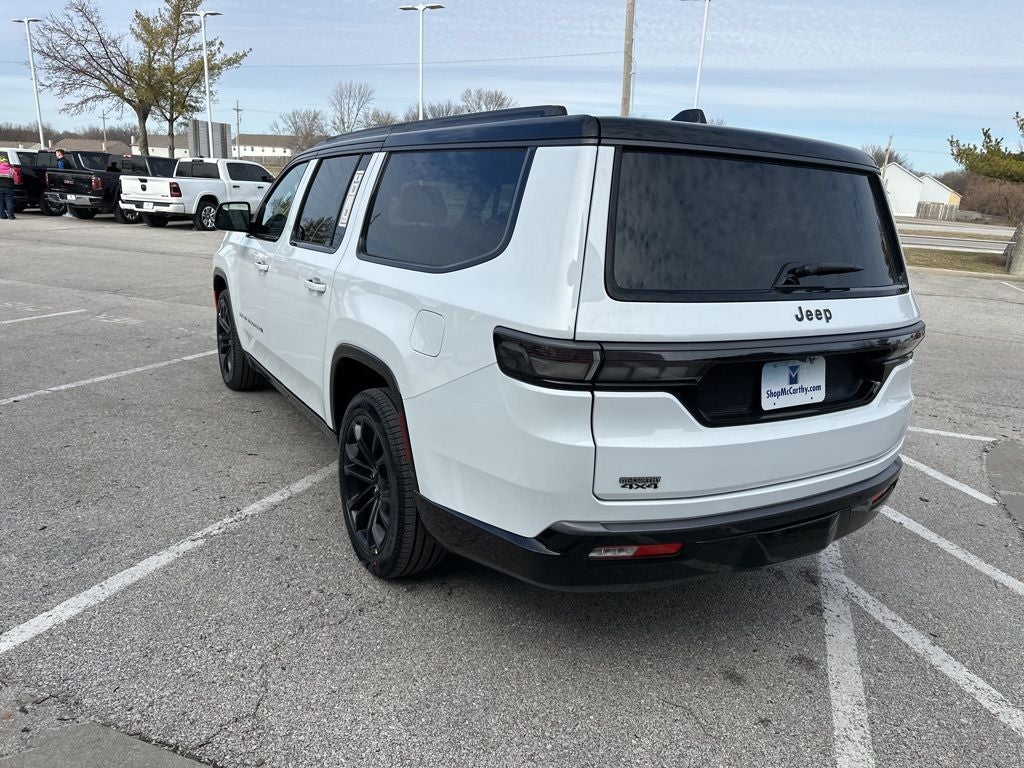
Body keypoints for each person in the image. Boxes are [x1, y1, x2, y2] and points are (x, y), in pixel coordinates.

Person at [0, 154, 15, 220]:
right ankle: (11, 216)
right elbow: (15, 179)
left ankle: (2, 215)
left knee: (0, 202)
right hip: (9, 188)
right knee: (9, 202)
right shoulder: (11, 170)